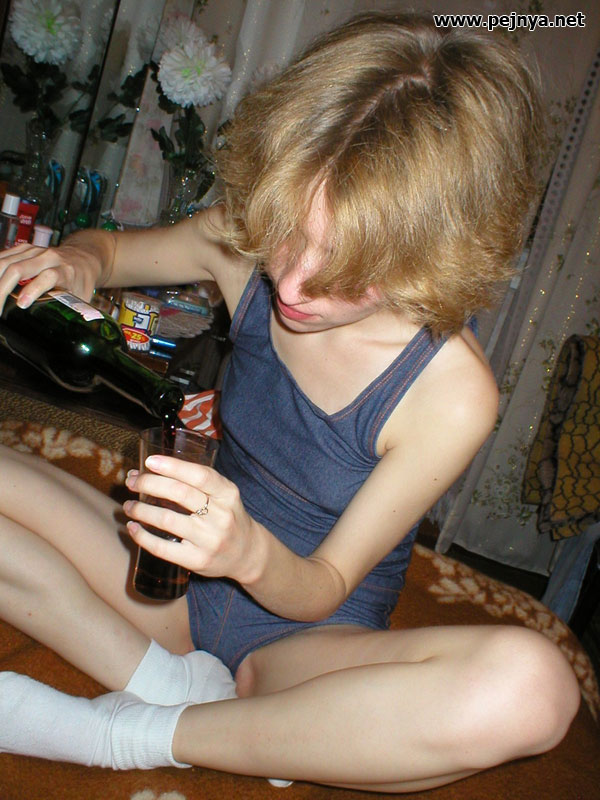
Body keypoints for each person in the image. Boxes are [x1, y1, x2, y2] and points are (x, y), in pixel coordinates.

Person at [0, 12, 580, 793]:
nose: (296, 285)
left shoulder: (450, 393)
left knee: (533, 693)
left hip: (303, 642)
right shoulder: (255, 242)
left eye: (349, 267)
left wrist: (246, 554)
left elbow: (327, 583)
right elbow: (109, 251)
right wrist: (75, 262)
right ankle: (178, 688)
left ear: (430, 255)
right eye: (288, 233)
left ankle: (128, 734)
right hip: (178, 583)